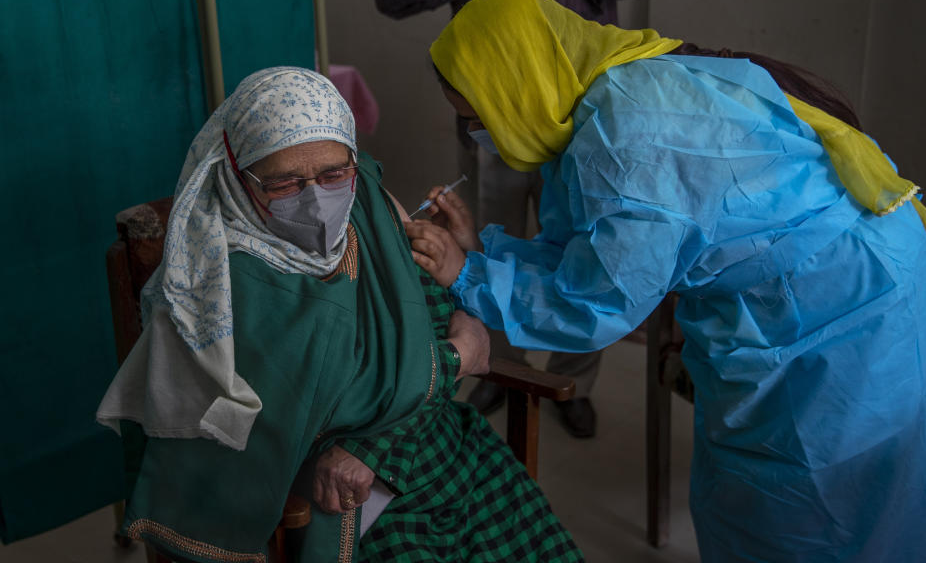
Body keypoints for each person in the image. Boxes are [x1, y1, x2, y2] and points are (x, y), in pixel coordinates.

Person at [406, 0, 926, 561]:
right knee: (788, 500)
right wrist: (479, 255)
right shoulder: (605, 93)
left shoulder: (628, 137)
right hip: (808, 290)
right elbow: (583, 252)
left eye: (477, 119)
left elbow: (593, 303)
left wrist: (468, 275)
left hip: (846, 314)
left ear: (515, 85)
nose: (480, 137)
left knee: (832, 512)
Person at [96, 67, 584, 563]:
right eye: (284, 183)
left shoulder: (366, 205)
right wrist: (457, 356)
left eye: (333, 174)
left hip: (446, 451)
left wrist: (455, 287)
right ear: (238, 175)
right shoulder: (224, 285)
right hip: (357, 500)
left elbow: (431, 324)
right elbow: (313, 417)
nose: (316, 199)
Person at [376, 0, 667, 437]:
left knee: (587, 253)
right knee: (490, 238)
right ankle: (502, 366)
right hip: (497, 123)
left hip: (578, 130)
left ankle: (570, 381)